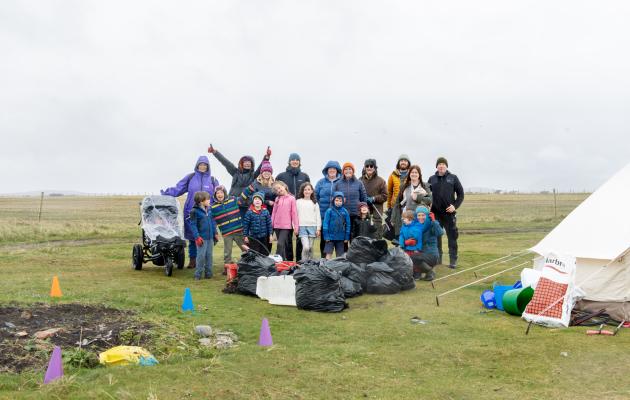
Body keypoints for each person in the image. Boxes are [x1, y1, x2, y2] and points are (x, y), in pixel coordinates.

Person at [161, 155, 219, 269]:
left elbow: (218, 195)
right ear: (197, 166)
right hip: (191, 212)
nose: (202, 166)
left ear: (208, 167)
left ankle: (205, 261)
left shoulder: (212, 180)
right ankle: (193, 261)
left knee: (207, 237)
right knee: (193, 237)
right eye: (200, 164)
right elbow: (178, 189)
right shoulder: (190, 177)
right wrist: (166, 193)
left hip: (207, 213)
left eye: (205, 165)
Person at [208, 145, 271, 217]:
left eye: (249, 162)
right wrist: (215, 152)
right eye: (245, 162)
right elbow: (225, 162)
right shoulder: (235, 172)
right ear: (242, 163)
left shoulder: (253, 175)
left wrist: (266, 157)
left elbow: (261, 168)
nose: (247, 163)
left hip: (247, 204)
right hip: (234, 202)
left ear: (252, 164)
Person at [428, 157, 464, 268]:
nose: (441, 166)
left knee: (452, 237)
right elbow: (427, 195)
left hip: (449, 214)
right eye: (439, 164)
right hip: (436, 214)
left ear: (446, 166)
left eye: (443, 164)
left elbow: (461, 194)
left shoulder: (453, 178)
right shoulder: (431, 179)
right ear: (437, 166)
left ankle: (453, 260)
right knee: (437, 237)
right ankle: (438, 259)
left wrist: (455, 206)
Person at [276, 153, 310, 262]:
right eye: (293, 159)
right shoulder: (281, 176)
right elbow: (276, 190)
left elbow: (308, 191)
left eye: (297, 160)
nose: (295, 161)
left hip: (300, 210)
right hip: (286, 211)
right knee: (287, 239)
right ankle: (289, 261)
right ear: (289, 161)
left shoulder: (304, 176)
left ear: (299, 162)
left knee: (300, 236)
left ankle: (300, 261)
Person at [211, 185, 246, 274]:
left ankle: (250, 264)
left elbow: (243, 198)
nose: (219, 194)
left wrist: (250, 189)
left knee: (245, 249)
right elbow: (212, 221)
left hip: (238, 230)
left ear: (225, 193)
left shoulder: (233, 200)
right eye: (217, 193)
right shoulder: (213, 207)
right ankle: (227, 269)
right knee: (227, 252)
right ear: (215, 195)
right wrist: (215, 232)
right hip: (227, 233)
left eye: (221, 192)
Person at [333, 162, 367, 241]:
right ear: (343, 171)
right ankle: (344, 253)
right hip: (342, 215)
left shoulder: (359, 183)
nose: (348, 171)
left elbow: (364, 199)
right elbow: (333, 199)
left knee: (355, 238)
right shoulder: (338, 183)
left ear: (353, 171)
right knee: (343, 238)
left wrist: (362, 209)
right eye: (346, 169)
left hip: (356, 214)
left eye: (350, 169)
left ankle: (354, 253)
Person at [189, 191, 219, 280]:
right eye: (208, 199)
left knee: (209, 256)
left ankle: (208, 274)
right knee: (201, 257)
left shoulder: (209, 210)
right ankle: (198, 275)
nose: (209, 200)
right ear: (201, 201)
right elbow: (193, 225)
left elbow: (212, 222)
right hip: (201, 239)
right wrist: (197, 237)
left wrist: (215, 233)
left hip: (210, 238)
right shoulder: (194, 211)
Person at [315, 161, 342, 257]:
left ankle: (339, 260)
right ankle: (324, 260)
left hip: (337, 216)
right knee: (324, 238)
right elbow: (315, 196)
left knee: (338, 239)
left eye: (334, 168)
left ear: (337, 170)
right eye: (330, 169)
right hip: (323, 214)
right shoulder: (320, 182)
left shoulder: (341, 182)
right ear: (327, 170)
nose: (331, 170)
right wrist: (319, 206)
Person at [270, 181, 299, 261]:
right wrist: (271, 226)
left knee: (280, 244)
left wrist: (296, 227)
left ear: (284, 186)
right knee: (282, 246)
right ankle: (283, 263)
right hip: (276, 226)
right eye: (276, 190)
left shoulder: (292, 198)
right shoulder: (277, 199)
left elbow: (294, 213)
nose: (278, 190)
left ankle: (277, 261)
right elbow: (274, 213)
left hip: (286, 226)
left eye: (279, 188)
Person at [360, 159, 387, 239]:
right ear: (364, 168)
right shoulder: (359, 180)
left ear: (375, 168)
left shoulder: (381, 181)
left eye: (371, 166)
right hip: (364, 211)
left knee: (377, 235)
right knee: (365, 235)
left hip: (377, 212)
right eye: (367, 166)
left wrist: (374, 198)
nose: (369, 168)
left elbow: (385, 196)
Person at [415, 206, 444, 281]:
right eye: (419, 215)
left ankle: (430, 271)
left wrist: (434, 221)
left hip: (431, 254)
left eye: (423, 215)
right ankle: (417, 273)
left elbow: (440, 233)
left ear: (427, 215)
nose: (421, 217)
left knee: (413, 257)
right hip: (421, 253)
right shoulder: (416, 226)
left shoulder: (432, 224)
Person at [296, 182, 321, 261]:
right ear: (302, 191)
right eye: (305, 190)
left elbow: (318, 216)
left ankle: (310, 263)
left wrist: (318, 229)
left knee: (310, 248)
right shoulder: (298, 202)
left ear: (312, 191)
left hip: (312, 227)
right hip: (302, 226)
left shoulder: (314, 203)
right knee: (306, 247)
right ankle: (303, 263)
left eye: (309, 189)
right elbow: (295, 215)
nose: (307, 191)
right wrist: (295, 227)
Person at [322, 192, 351, 259]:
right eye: (336, 200)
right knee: (328, 254)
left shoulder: (345, 212)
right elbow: (325, 224)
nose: (338, 202)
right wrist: (326, 236)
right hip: (330, 238)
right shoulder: (329, 211)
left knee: (340, 256)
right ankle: (325, 268)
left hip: (341, 238)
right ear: (333, 200)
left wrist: (346, 237)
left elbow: (348, 225)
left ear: (343, 201)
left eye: (340, 201)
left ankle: (338, 268)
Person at [398, 210, 425, 280]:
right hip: (406, 247)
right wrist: (402, 243)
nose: (403, 220)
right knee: (407, 261)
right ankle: (410, 273)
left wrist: (409, 242)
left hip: (415, 248)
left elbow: (415, 236)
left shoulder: (417, 226)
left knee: (415, 262)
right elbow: (401, 235)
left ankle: (417, 274)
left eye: (404, 219)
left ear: (410, 219)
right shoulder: (404, 226)